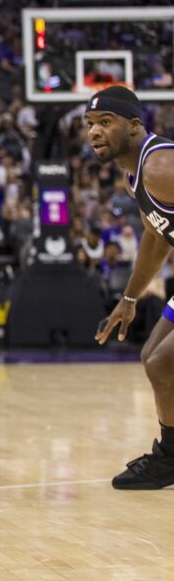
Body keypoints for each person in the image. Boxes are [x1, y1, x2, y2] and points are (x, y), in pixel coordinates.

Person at [92, 85, 174, 489]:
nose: (94, 132)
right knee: (155, 358)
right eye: (90, 124)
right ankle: (171, 458)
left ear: (135, 125)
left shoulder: (162, 167)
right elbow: (156, 237)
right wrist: (128, 299)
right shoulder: (134, 176)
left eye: (105, 123)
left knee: (163, 362)